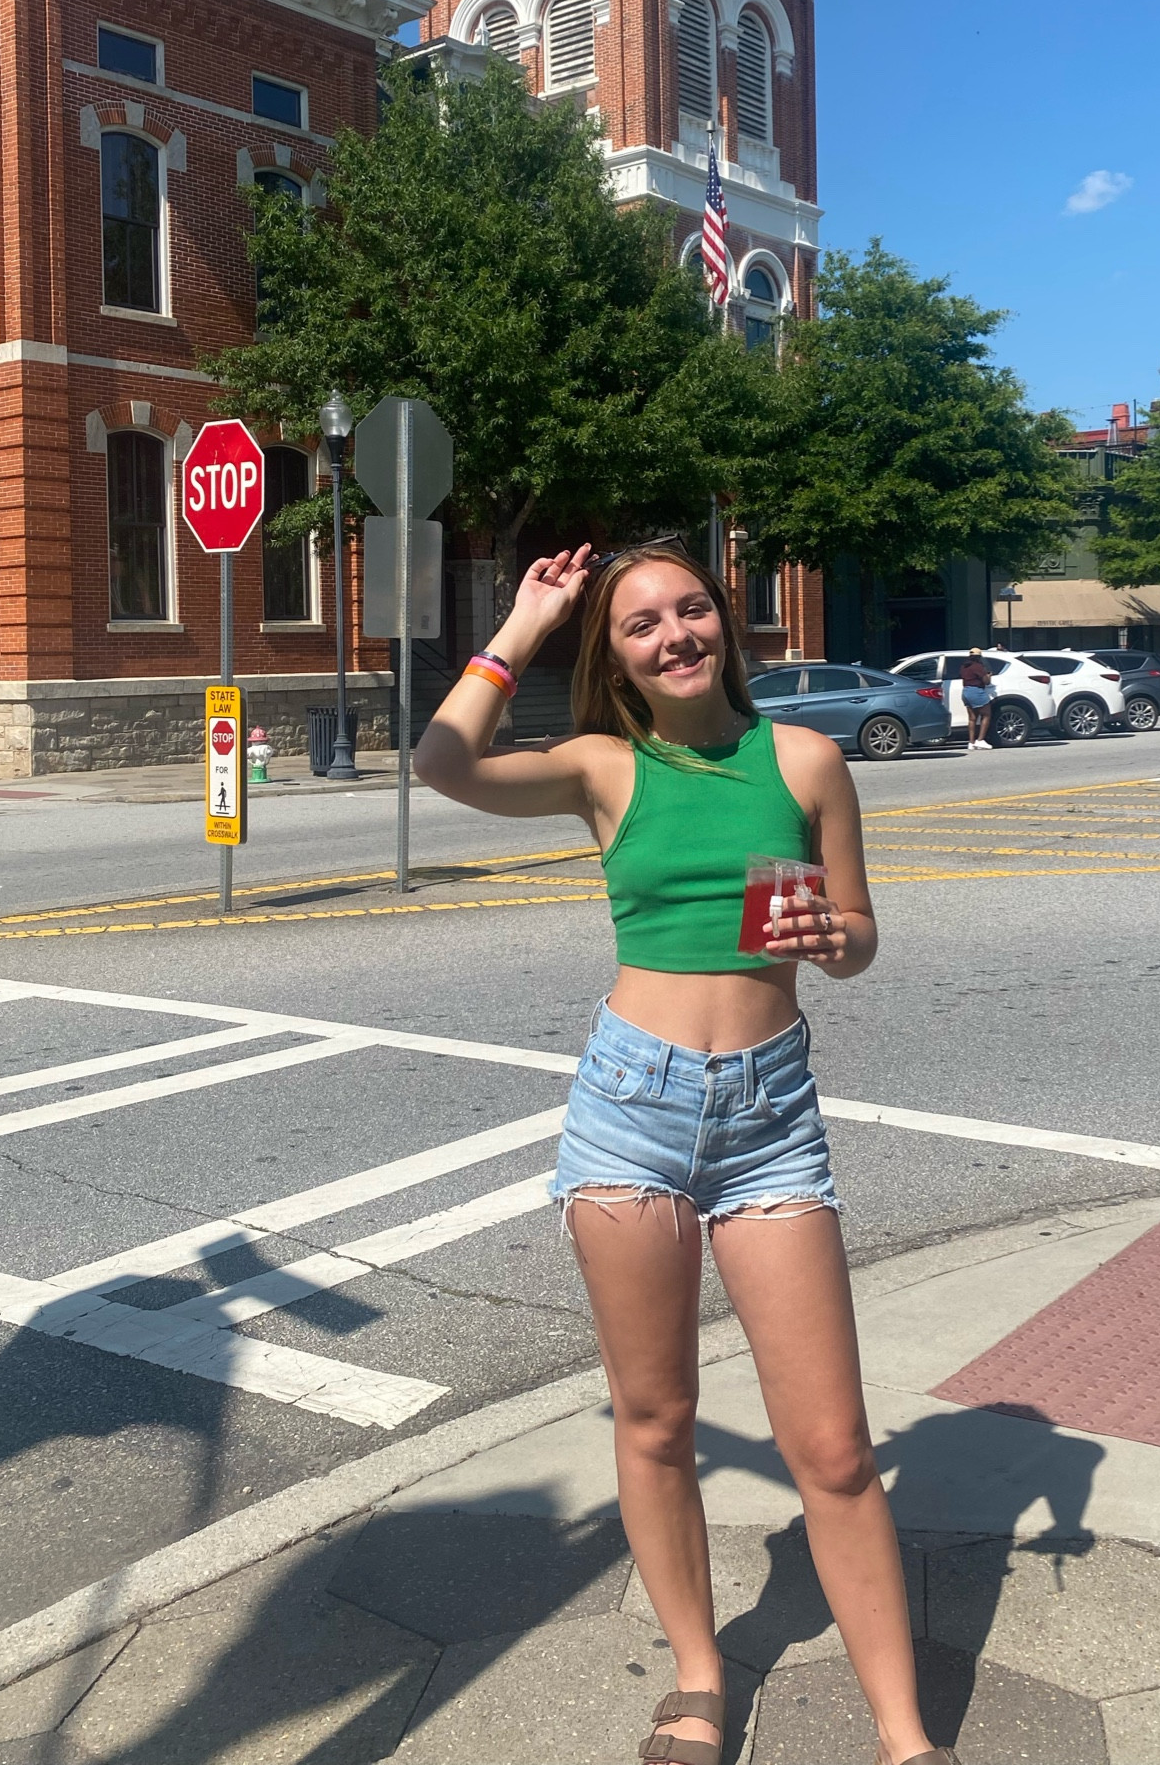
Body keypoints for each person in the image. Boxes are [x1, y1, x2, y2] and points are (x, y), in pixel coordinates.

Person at [415, 543, 959, 1765]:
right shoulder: (604, 767)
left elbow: (860, 932)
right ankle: (702, 1672)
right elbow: (441, 762)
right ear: (614, 657)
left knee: (835, 1447)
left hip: (772, 1118)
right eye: (640, 623)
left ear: (726, 620)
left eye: (692, 608)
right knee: (658, 1417)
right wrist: (525, 623)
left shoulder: (806, 760)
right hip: (633, 1109)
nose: (674, 634)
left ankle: (905, 1735)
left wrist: (833, 938)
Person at [958, 648, 994, 750]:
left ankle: (971, 742)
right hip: (976, 691)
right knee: (987, 714)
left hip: (965, 691)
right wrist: (988, 675)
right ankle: (980, 740)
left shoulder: (964, 666)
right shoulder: (977, 666)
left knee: (972, 718)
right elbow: (986, 681)